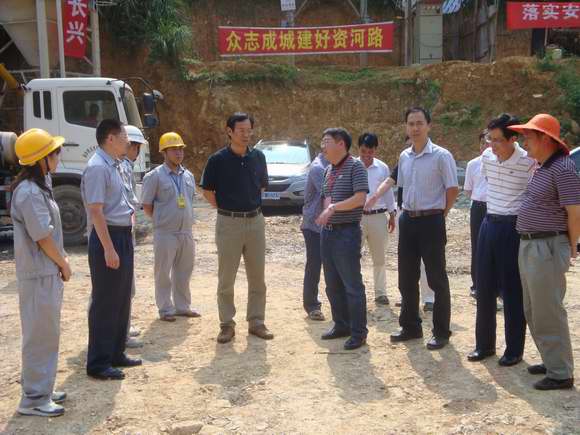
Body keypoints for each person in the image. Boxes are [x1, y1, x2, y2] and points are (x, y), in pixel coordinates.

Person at [510, 114, 580, 390]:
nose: (524, 142)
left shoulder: (562, 168)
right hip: (532, 245)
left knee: (548, 310)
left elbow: (575, 211)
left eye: (529, 137)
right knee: (533, 308)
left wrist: (571, 245)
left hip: (547, 247)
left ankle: (560, 373)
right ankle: (551, 361)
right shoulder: (543, 167)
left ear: (545, 139)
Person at [11, 129, 72, 417]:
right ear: (40, 160)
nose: (58, 156)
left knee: (47, 333)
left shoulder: (39, 186)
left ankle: (42, 387)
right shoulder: (29, 193)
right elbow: (43, 237)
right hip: (38, 274)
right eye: (54, 153)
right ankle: (34, 398)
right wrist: (63, 263)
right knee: (39, 336)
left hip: (44, 272)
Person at [467, 114, 535, 367]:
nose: (492, 145)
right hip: (488, 223)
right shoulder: (486, 157)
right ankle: (484, 345)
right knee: (483, 286)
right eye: (489, 138)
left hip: (513, 228)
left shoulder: (528, 162)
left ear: (513, 139)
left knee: (512, 290)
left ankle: (514, 350)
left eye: (497, 140)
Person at [201, 113, 273, 343]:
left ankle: (256, 321)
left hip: (255, 221)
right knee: (226, 278)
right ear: (229, 131)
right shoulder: (217, 160)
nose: (246, 134)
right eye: (241, 130)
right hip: (228, 223)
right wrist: (227, 209)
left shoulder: (258, 157)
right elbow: (207, 191)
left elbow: (261, 187)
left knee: (257, 276)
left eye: (248, 130)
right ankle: (226, 324)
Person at [390, 107, 459, 350]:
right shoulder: (404, 156)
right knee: (406, 277)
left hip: (432, 221)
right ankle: (410, 326)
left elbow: (452, 189)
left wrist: (441, 214)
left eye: (420, 123)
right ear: (406, 127)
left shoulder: (442, 156)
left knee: (436, 279)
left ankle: (441, 332)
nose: (415, 128)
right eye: (411, 123)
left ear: (429, 125)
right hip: (408, 220)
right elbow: (403, 188)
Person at [82, 119, 141, 380]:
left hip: (122, 234)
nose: (128, 142)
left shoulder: (116, 164)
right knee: (106, 300)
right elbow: (96, 211)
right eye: (124, 137)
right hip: (108, 236)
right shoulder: (97, 167)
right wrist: (108, 248)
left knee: (122, 296)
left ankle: (116, 353)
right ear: (110, 139)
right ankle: (98, 362)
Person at [365, 138, 435, 312]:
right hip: (404, 212)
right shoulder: (405, 158)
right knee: (406, 258)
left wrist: (442, 212)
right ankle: (408, 297)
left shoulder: (435, 158)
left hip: (427, 215)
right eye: (409, 144)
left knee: (426, 259)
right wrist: (377, 197)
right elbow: (390, 181)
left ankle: (429, 298)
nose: (411, 147)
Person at [316, 127, 369, 351]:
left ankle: (358, 332)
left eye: (326, 141)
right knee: (332, 284)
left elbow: (360, 198)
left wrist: (334, 208)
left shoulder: (356, 166)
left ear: (341, 144)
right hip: (328, 233)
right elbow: (326, 198)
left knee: (352, 285)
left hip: (347, 232)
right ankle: (341, 324)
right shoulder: (328, 170)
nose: (323, 146)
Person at [142, 132, 200, 322]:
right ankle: (166, 309)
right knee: (163, 273)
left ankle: (183, 306)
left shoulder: (188, 176)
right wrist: (162, 220)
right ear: (164, 152)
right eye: (173, 149)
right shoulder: (154, 177)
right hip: (165, 232)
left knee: (184, 271)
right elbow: (147, 206)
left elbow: (189, 201)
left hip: (186, 232)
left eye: (180, 149)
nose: (178, 153)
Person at [357, 132, 396, 306]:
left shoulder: (382, 168)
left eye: (370, 152)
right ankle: (355, 291)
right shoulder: (352, 166)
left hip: (378, 216)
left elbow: (388, 192)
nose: (366, 155)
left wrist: (392, 214)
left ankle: (381, 293)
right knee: (353, 256)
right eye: (363, 151)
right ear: (358, 148)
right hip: (356, 217)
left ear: (375, 150)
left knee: (379, 257)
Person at [120, 125, 147, 348]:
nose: (136, 151)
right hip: (117, 232)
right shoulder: (118, 168)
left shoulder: (125, 168)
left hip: (125, 229)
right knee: (119, 286)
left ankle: (124, 326)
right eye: (134, 146)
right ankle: (120, 331)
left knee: (127, 285)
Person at [300, 140, 330, 321]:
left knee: (331, 264)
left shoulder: (333, 165)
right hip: (314, 226)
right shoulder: (319, 168)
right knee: (314, 265)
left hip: (327, 224)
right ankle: (311, 305)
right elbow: (330, 193)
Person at [463, 130, 490, 299]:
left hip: (497, 208)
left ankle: (498, 287)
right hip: (478, 208)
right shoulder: (472, 164)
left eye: (488, 143)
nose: (485, 146)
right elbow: (468, 190)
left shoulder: (502, 163)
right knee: (477, 246)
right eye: (483, 143)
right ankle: (477, 285)